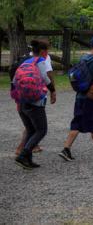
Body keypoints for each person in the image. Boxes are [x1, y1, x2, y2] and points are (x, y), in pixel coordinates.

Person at [59, 37, 93, 161]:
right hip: (92, 97)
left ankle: (66, 149)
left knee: (77, 122)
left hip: (80, 95)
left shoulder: (83, 58)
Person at [12, 39, 56, 169]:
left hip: (23, 101)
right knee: (41, 130)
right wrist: (53, 91)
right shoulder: (40, 61)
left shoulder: (25, 61)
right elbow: (45, 78)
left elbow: (14, 81)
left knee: (31, 130)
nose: (47, 53)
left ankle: (28, 160)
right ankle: (23, 155)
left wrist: (18, 98)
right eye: (47, 50)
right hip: (36, 101)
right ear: (42, 51)